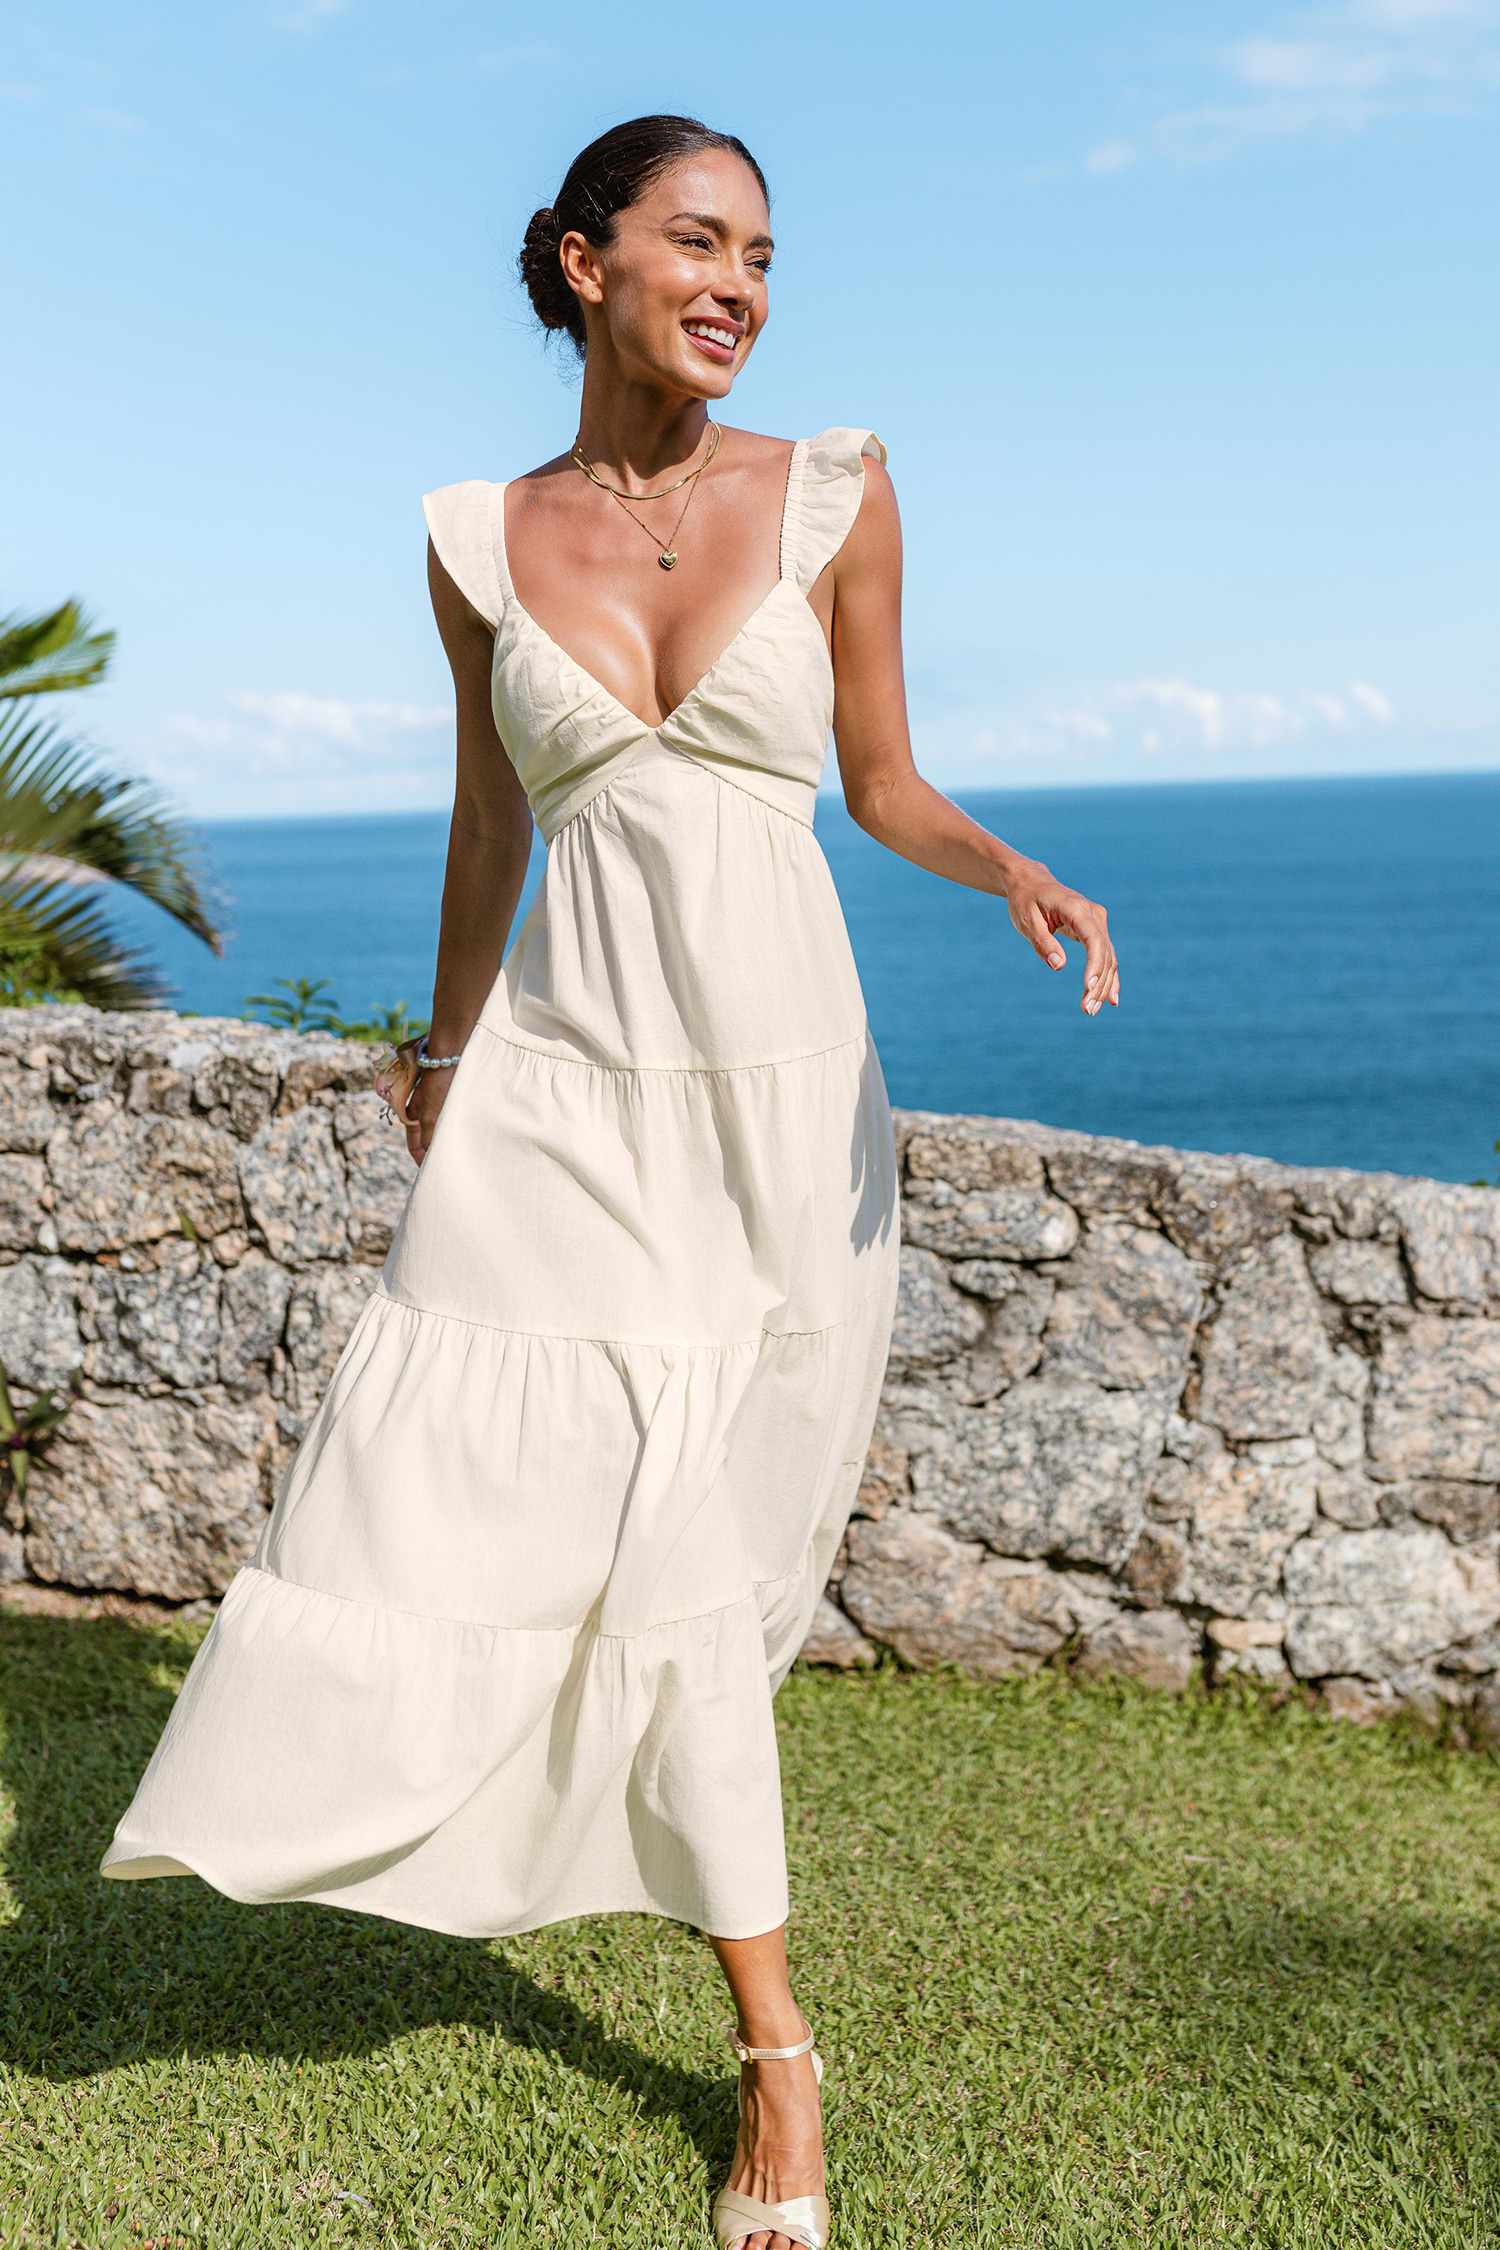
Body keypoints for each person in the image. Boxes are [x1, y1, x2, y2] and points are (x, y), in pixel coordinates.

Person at [101, 114, 1118, 2250]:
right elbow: (492, 824)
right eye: (698, 241)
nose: (739, 284)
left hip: (780, 1098)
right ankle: (779, 2055)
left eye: (763, 253)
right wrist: (443, 1049)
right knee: (616, 1508)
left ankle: (699, 1939)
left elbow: (881, 781)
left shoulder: (833, 491)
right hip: (565, 1089)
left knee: (711, 1560)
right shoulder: (479, 541)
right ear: (585, 262)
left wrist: (1007, 865)